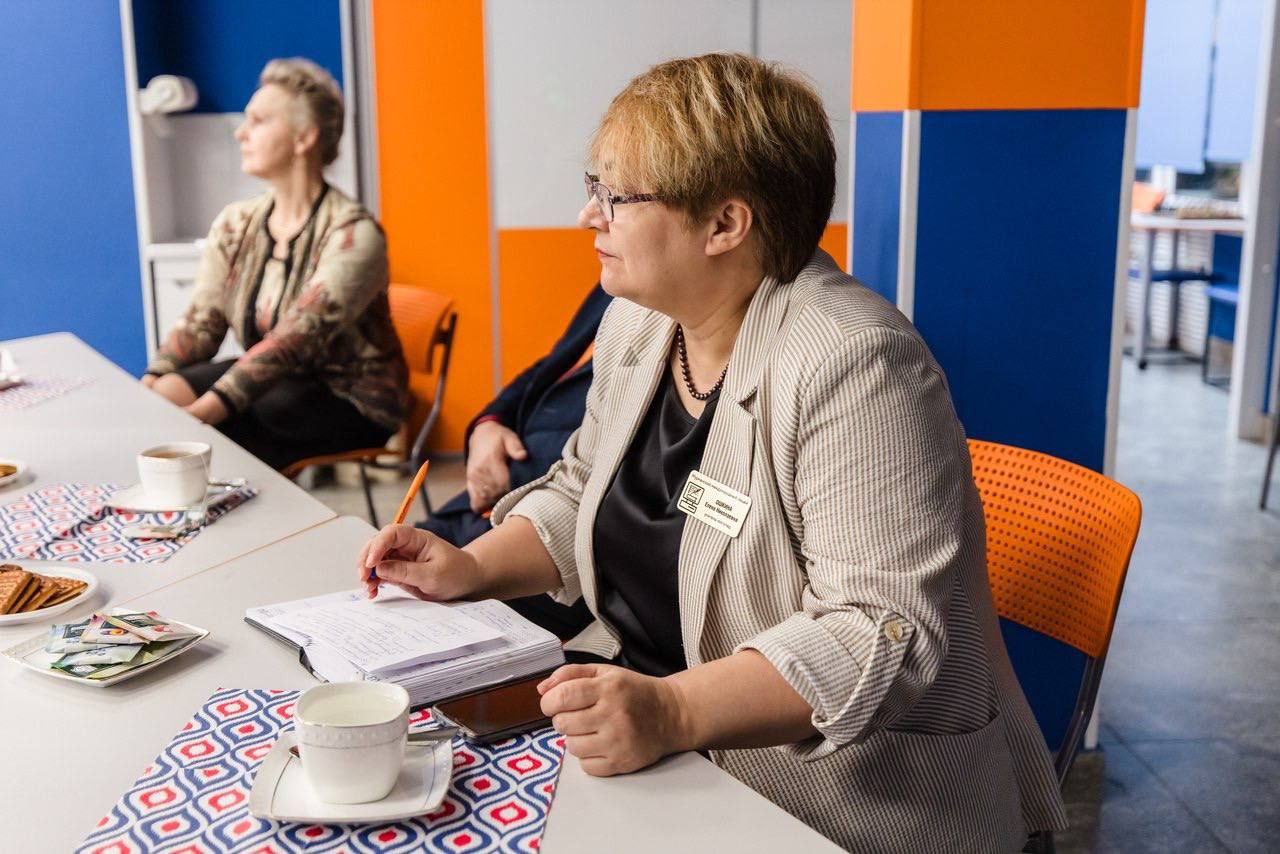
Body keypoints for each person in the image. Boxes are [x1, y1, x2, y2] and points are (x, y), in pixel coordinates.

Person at [355, 53, 1067, 851]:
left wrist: (674, 710)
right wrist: (470, 567)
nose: (589, 217)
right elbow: (583, 485)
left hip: (841, 798)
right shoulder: (641, 321)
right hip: (662, 746)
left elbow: (877, 632)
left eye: (617, 197)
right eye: (595, 188)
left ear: (725, 225)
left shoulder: (856, 364)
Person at [142, 58, 408, 472]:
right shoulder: (236, 223)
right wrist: (151, 383)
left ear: (304, 137)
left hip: (350, 398)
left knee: (228, 422)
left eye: (258, 121)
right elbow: (202, 322)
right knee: (166, 395)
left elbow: (293, 341)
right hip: (276, 378)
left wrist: (205, 412)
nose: (240, 132)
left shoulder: (355, 234)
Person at [419, 283, 610, 638]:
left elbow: (593, 474)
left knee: (420, 620)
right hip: (487, 510)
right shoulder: (613, 289)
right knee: (389, 576)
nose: (594, 256)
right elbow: (549, 368)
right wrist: (488, 424)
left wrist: (508, 474)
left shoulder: (660, 319)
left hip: (561, 562)